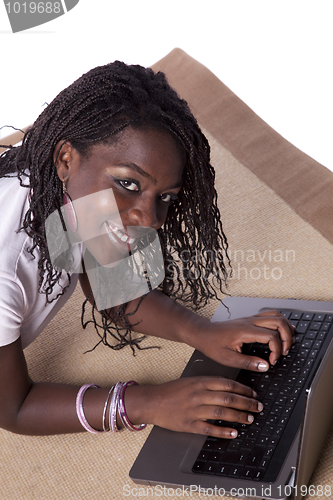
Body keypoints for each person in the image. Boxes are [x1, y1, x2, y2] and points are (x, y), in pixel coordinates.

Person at [0, 61, 294, 438]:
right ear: (65, 159)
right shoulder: (8, 270)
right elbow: (13, 408)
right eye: (129, 183)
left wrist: (203, 332)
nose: (150, 218)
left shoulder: (67, 182)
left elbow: (113, 287)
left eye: (166, 196)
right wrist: (145, 403)